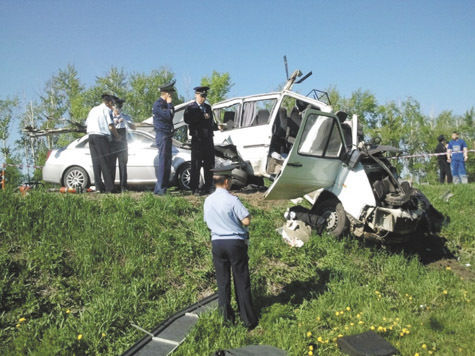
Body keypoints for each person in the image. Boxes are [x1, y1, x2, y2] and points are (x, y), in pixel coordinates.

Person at [203, 165, 258, 330]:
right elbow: (246, 220)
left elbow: (207, 221)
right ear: (227, 181)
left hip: (217, 242)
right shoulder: (232, 199)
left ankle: (226, 319)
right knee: (241, 280)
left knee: (223, 282)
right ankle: (248, 320)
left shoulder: (208, 200)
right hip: (234, 242)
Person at [184, 86, 219, 195]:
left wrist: (218, 127)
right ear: (196, 95)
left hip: (208, 139)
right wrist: (201, 115)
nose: (203, 98)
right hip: (197, 140)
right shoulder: (191, 107)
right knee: (196, 164)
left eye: (205, 96)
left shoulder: (208, 107)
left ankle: (208, 186)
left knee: (209, 164)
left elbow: (211, 123)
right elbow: (187, 120)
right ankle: (194, 188)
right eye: (201, 96)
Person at [86, 94, 120, 193]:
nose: (113, 106)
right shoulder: (106, 110)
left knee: (96, 163)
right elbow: (110, 126)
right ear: (109, 102)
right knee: (105, 162)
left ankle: (98, 187)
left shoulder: (93, 109)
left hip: (91, 136)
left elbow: (87, 123)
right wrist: (117, 136)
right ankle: (110, 188)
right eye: (112, 103)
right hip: (101, 137)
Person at [152, 81, 176, 195]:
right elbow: (168, 116)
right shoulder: (158, 104)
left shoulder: (163, 104)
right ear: (166, 93)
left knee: (167, 162)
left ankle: (162, 188)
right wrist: (170, 104)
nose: (171, 95)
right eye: (170, 93)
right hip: (162, 135)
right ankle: (160, 189)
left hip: (167, 135)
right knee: (163, 162)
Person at [111, 97, 136, 192]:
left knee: (123, 165)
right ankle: (111, 186)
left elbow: (134, 128)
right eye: (117, 107)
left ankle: (123, 187)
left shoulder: (125, 116)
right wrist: (115, 121)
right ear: (113, 107)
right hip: (112, 142)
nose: (118, 109)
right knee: (111, 165)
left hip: (122, 143)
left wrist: (126, 121)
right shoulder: (109, 117)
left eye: (120, 107)